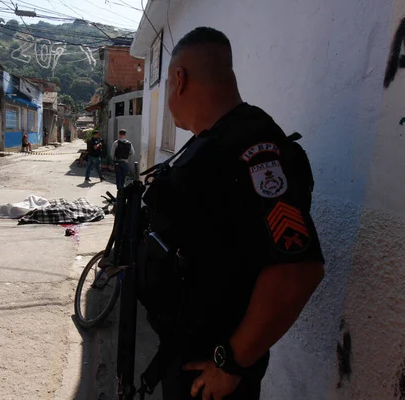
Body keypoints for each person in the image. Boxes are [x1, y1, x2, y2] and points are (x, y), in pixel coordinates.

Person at [138, 27, 325, 400]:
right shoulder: (212, 142)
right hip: (187, 353)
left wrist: (231, 364)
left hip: (213, 374)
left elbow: (298, 268)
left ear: (179, 78)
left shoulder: (254, 150)